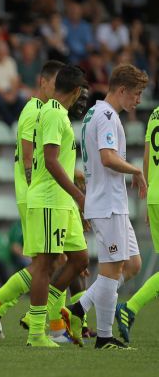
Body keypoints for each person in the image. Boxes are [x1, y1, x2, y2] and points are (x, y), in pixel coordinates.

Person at [0, 60, 66, 341]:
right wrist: (33, 192)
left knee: (55, 261)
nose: (59, 88)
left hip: (43, 195)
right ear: (44, 82)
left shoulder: (49, 111)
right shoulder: (34, 109)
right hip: (35, 195)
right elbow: (28, 157)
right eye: (55, 83)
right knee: (48, 262)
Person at [67, 64, 148, 349]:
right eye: (136, 94)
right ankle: (103, 337)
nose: (138, 100)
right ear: (122, 90)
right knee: (111, 271)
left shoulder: (98, 112)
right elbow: (108, 158)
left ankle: (78, 308)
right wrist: (136, 171)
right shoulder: (106, 116)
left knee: (133, 264)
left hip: (114, 203)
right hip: (107, 204)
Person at [24, 65, 90, 347]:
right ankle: (37, 332)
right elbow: (50, 160)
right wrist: (78, 194)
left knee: (80, 259)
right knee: (45, 264)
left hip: (62, 202)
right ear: (75, 92)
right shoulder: (52, 113)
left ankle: (46, 315)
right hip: (51, 199)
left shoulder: (56, 113)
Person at [116, 97, 159, 343]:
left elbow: (147, 156)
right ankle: (130, 307)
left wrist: (148, 196)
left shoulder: (154, 115)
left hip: (154, 195)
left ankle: (130, 308)